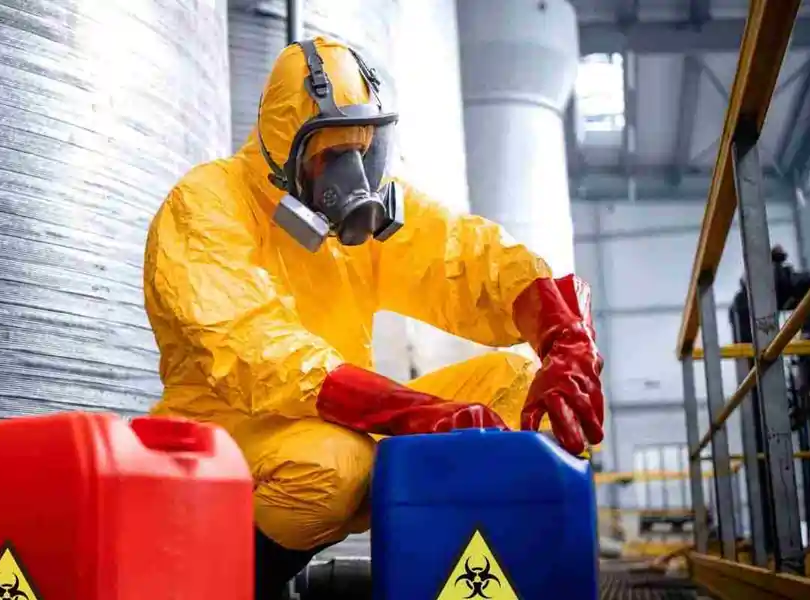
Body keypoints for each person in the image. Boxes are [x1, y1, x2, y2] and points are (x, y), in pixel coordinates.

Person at [141, 37, 604, 599]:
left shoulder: (357, 221)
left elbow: (469, 260)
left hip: (342, 416)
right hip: (229, 429)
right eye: (331, 157)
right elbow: (259, 352)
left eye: (364, 152)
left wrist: (566, 340)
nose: (352, 180)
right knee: (332, 471)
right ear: (283, 147)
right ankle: (219, 585)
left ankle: (470, 578)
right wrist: (417, 414)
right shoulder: (205, 203)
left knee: (520, 390)